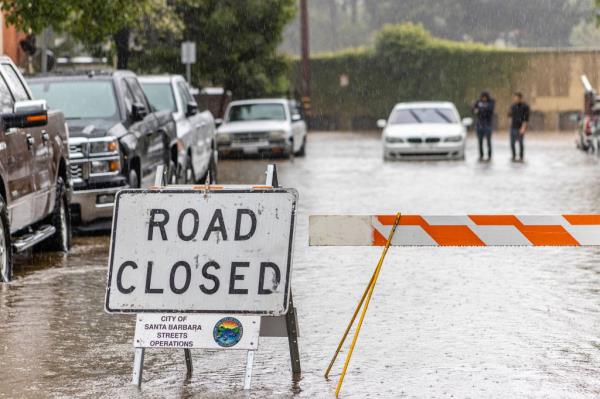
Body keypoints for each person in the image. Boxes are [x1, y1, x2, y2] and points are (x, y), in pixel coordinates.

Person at [472, 91, 495, 161]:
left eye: (485, 97)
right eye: (483, 97)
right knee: (480, 142)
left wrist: (480, 109)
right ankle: (481, 155)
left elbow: (490, 110)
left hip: (488, 124)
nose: (484, 99)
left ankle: (489, 156)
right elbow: (473, 110)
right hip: (479, 125)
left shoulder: (491, 102)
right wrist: (480, 109)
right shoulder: (478, 102)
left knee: (488, 142)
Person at [508, 92, 530, 162]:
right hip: (513, 127)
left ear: (520, 98)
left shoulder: (525, 107)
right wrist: (510, 125)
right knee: (512, 143)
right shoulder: (512, 106)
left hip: (520, 127)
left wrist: (523, 128)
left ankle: (521, 156)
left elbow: (526, 119)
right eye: (514, 98)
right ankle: (513, 156)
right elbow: (509, 116)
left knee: (520, 143)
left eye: (516, 98)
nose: (515, 99)